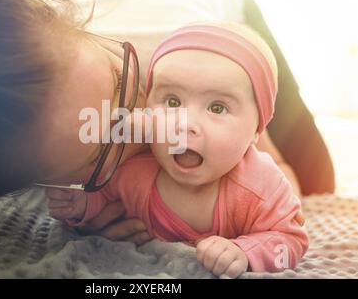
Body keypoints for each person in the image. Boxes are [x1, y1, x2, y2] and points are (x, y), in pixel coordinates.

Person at [0, 0, 333, 245]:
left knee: (317, 179)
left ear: (88, 30)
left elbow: (281, 190)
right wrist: (86, 212)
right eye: (99, 153)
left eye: (120, 83)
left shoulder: (189, 53)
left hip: (228, 8)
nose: (148, 125)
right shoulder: (8, 140)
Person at [46, 23, 309, 278]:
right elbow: (103, 197)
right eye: (172, 101)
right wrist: (78, 206)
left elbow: (290, 241)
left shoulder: (261, 187)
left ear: (256, 131)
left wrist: (246, 251)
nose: (185, 124)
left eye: (217, 108)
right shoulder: (135, 170)